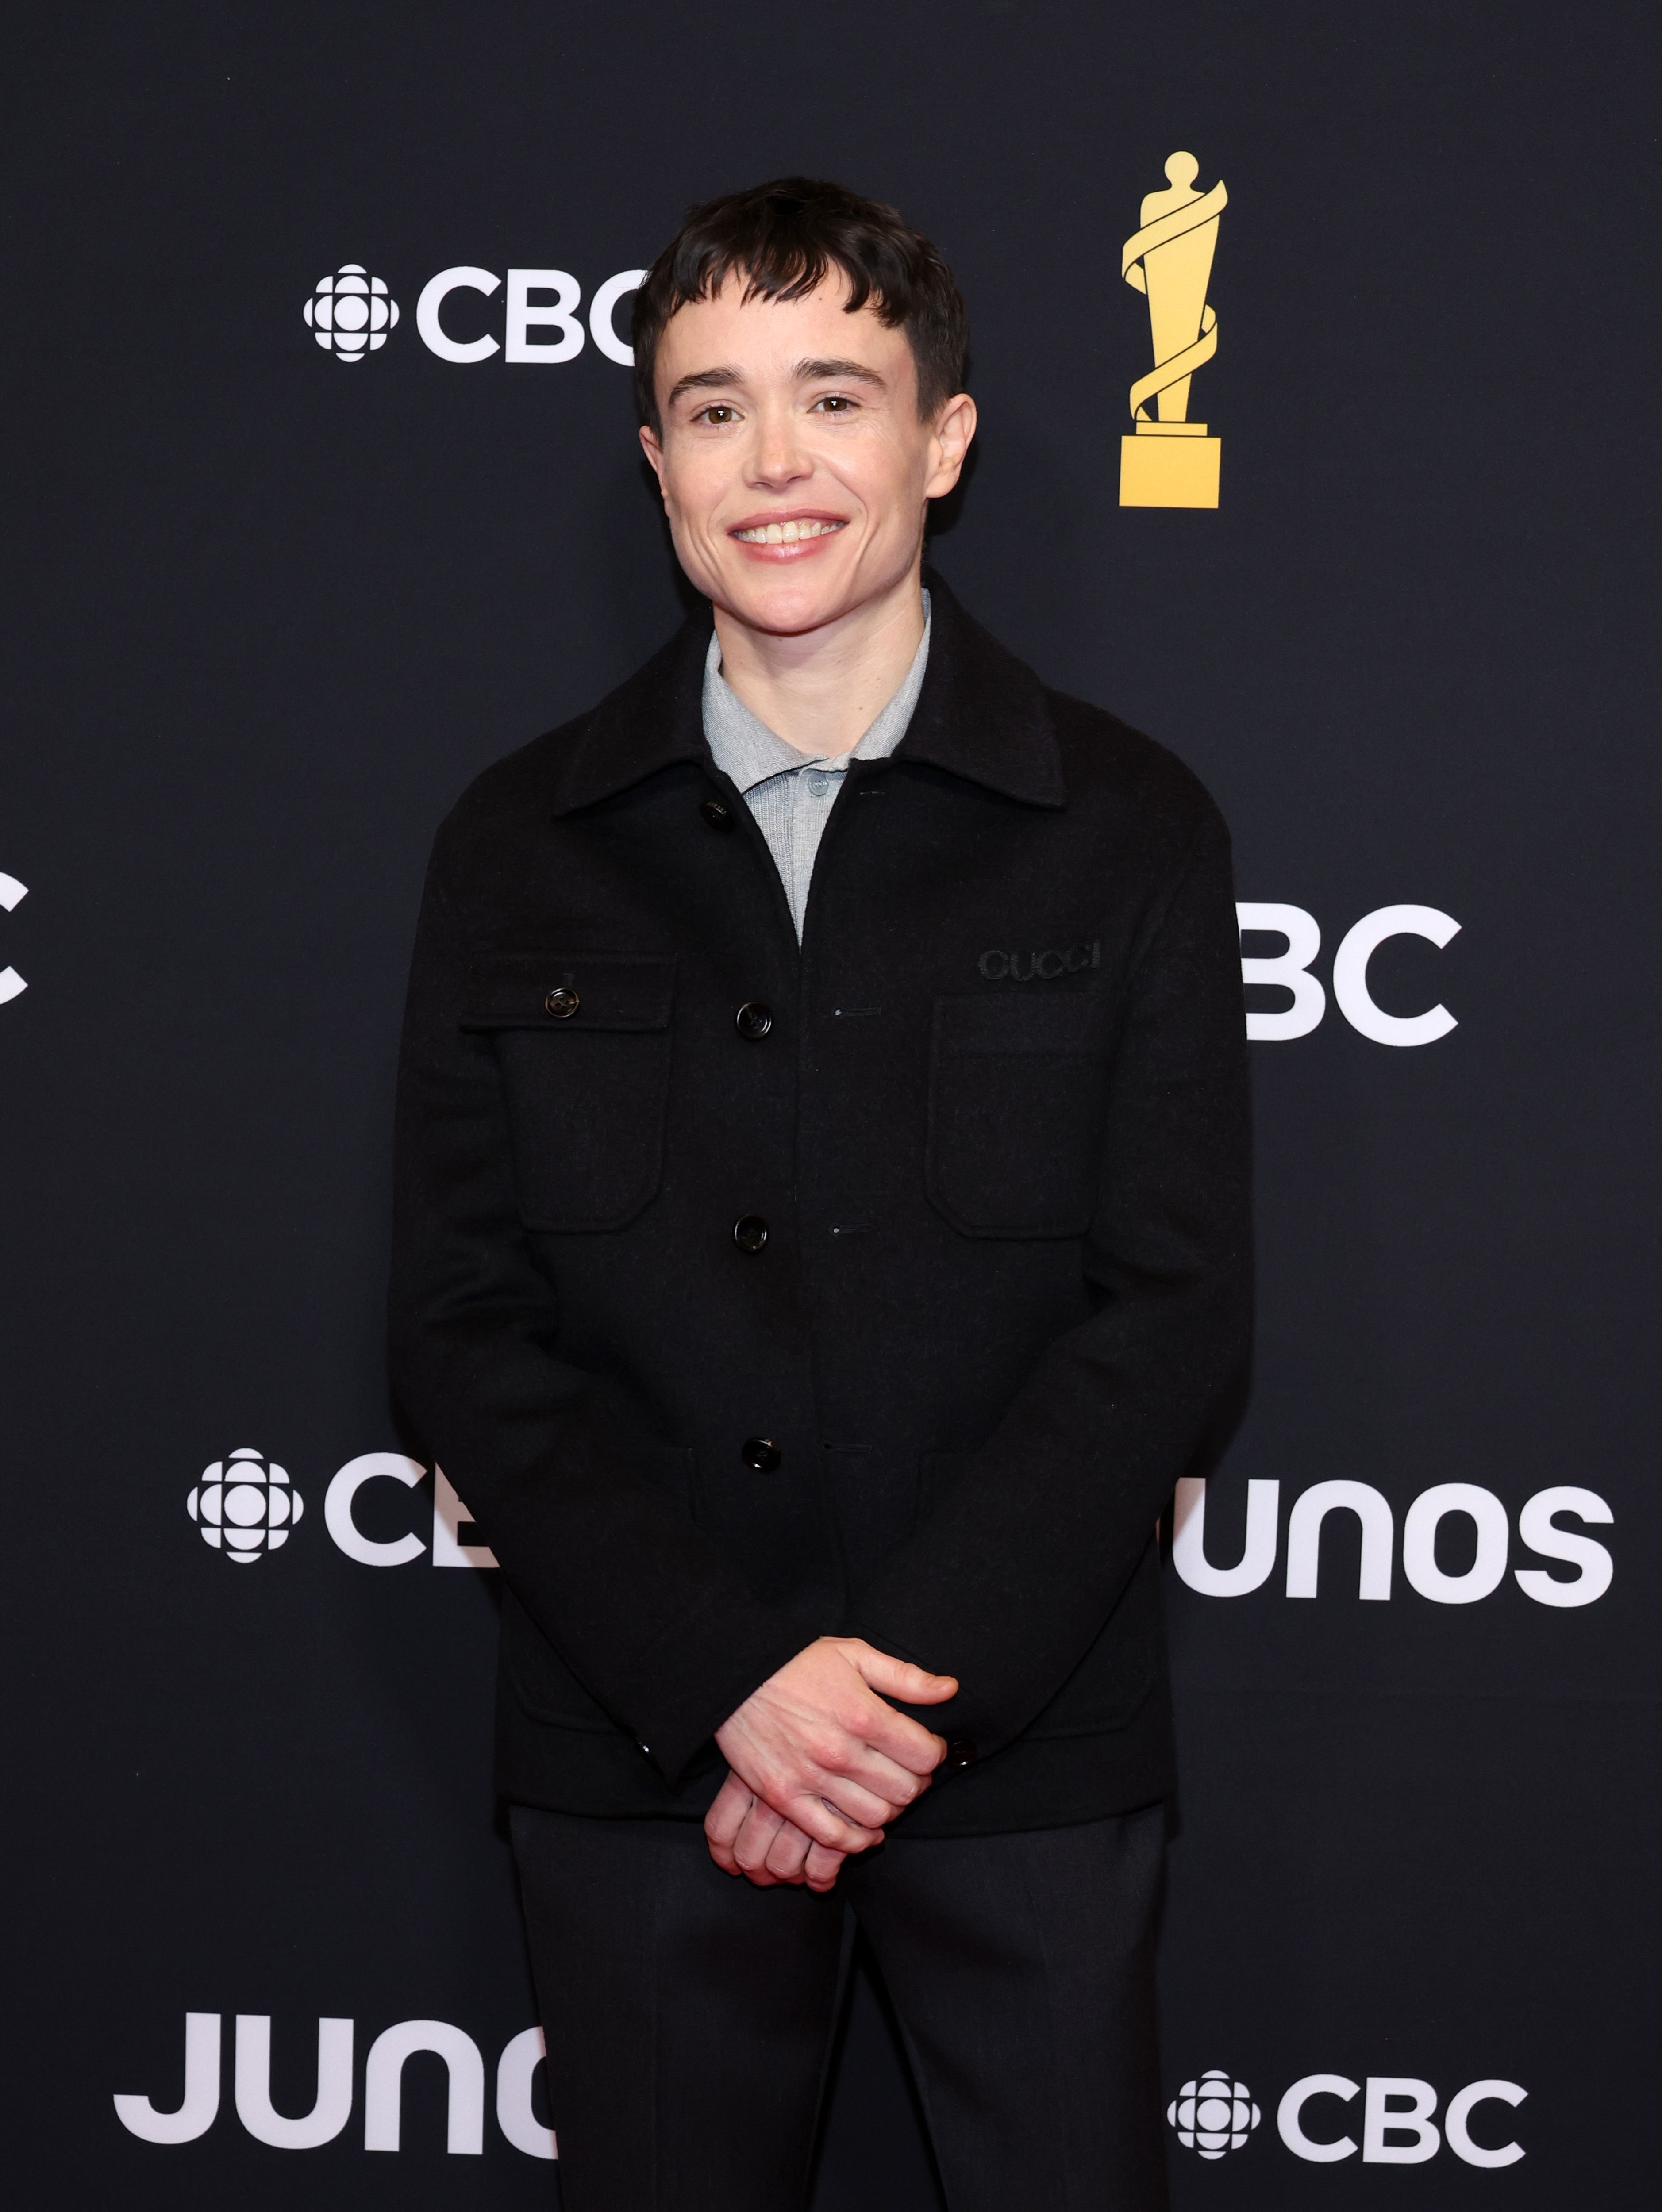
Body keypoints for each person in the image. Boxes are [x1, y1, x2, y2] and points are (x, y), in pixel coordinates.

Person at [389, 175, 1250, 2212]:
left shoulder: (1128, 823)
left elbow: (1173, 1314)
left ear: (943, 440)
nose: (774, 461)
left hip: (1026, 1761)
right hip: (639, 1757)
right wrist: (730, 1685)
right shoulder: (516, 839)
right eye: (715, 407)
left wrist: (888, 1698)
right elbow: (460, 1327)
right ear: (656, 461)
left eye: (835, 397)